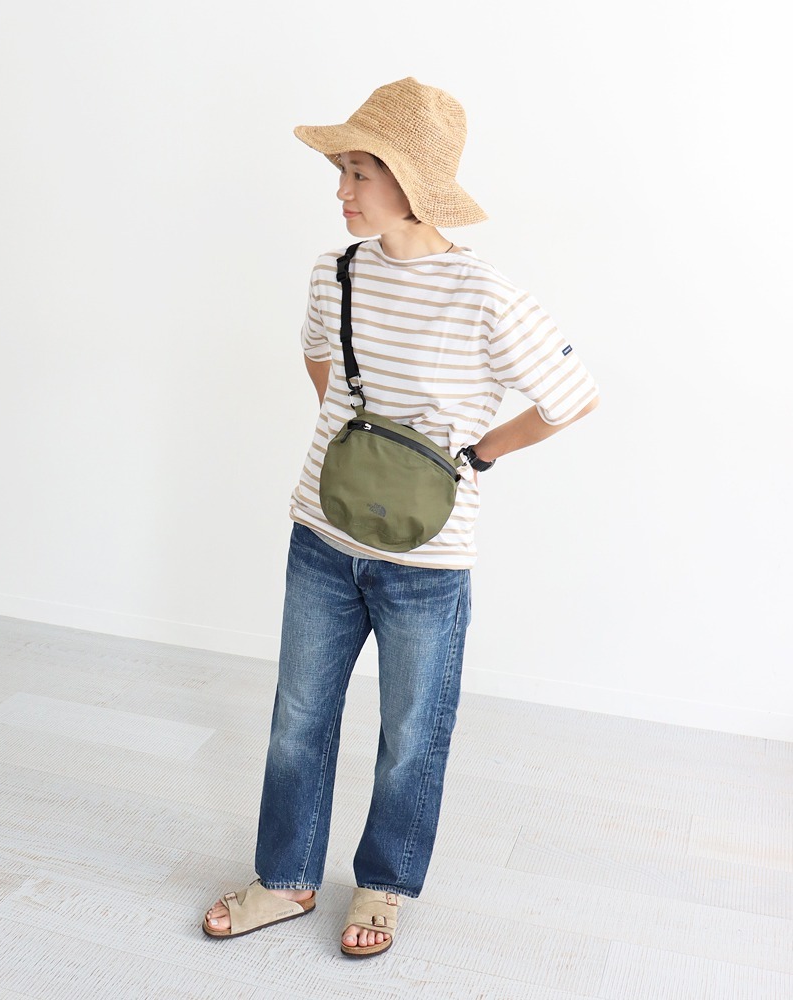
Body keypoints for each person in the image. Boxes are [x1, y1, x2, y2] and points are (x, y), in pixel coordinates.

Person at [202, 77, 599, 958]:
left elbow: (573, 396)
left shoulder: (485, 294)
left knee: (413, 734)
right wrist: (362, 454)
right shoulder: (335, 271)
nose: (341, 191)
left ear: (410, 183)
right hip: (320, 534)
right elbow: (321, 366)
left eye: (359, 172)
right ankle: (285, 879)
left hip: (429, 563)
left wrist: (481, 454)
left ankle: (383, 884)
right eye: (341, 172)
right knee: (298, 717)